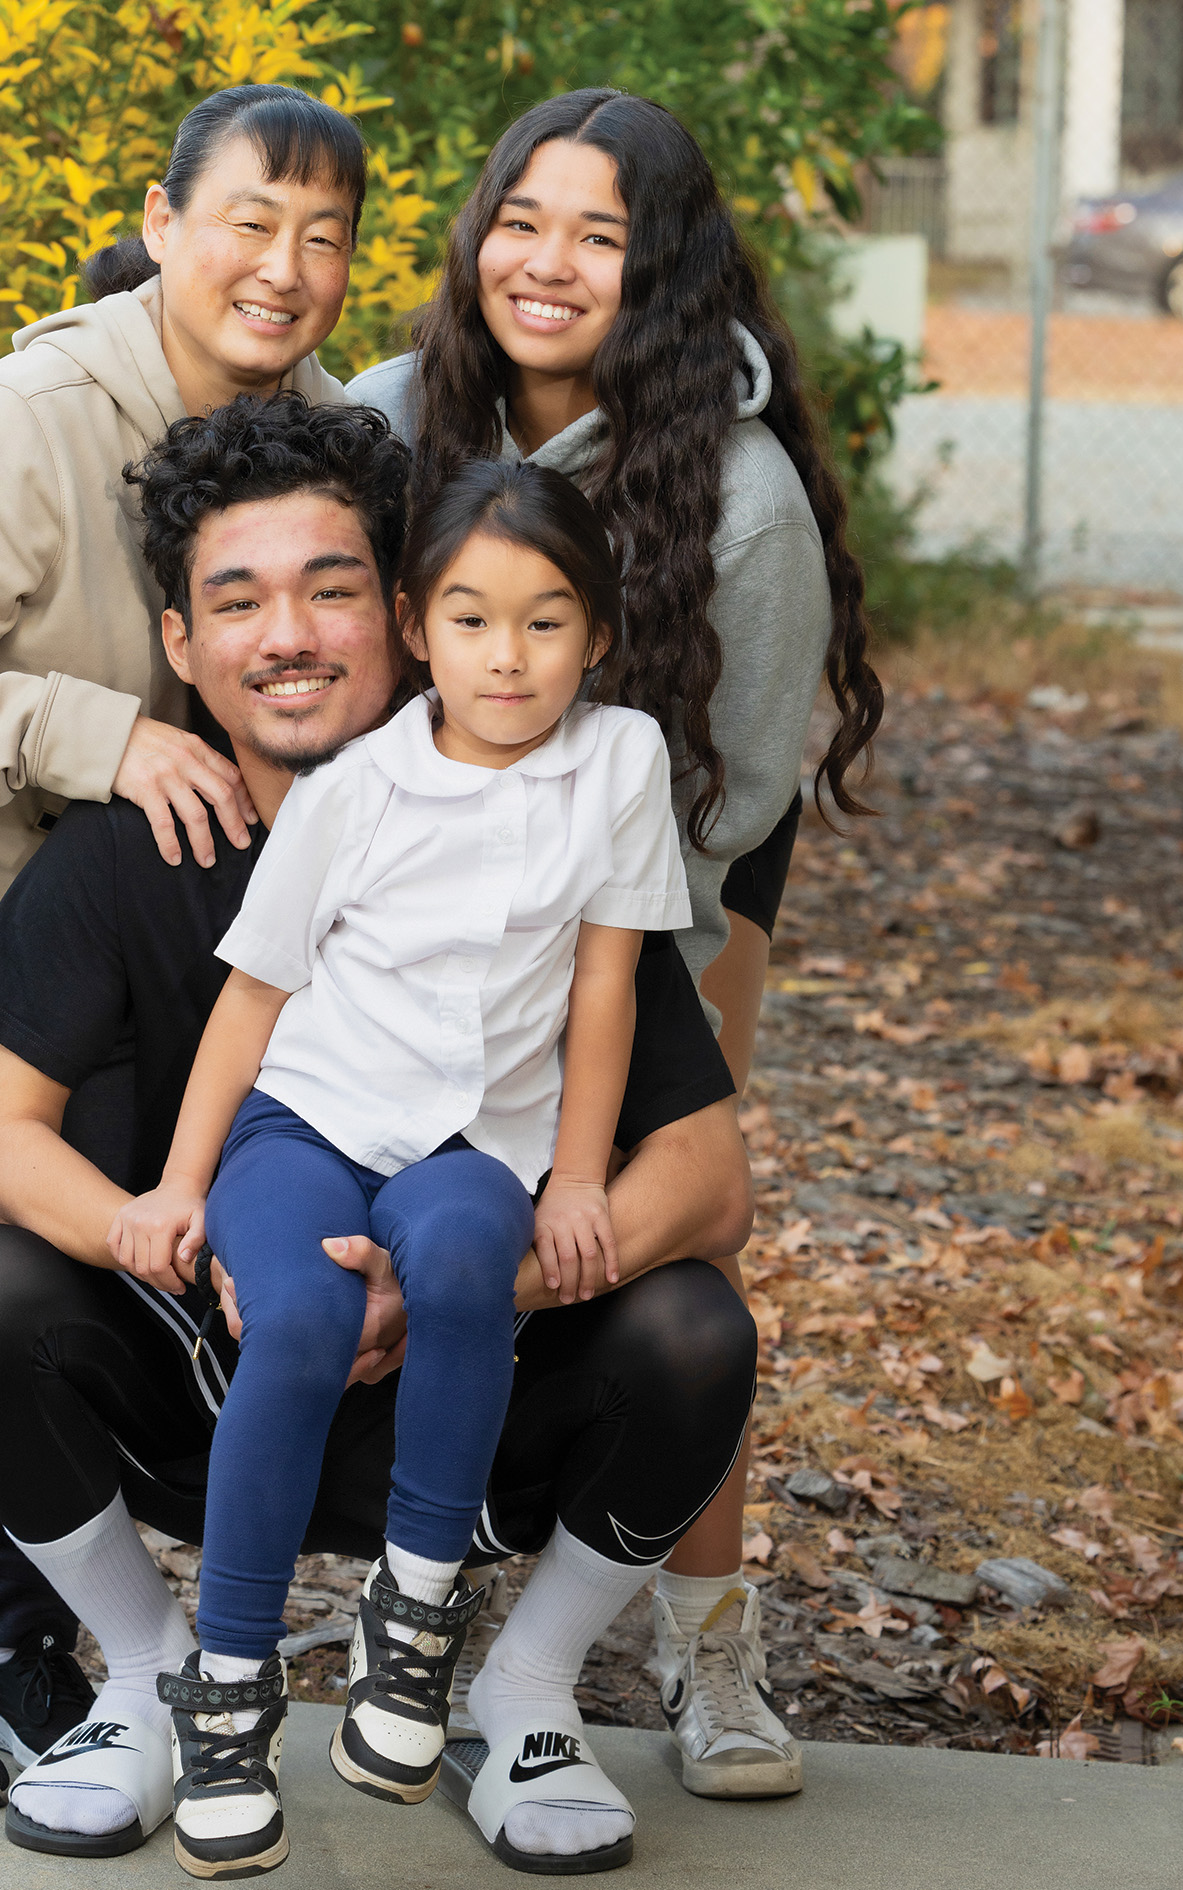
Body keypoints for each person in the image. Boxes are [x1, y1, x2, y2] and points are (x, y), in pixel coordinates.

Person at [0, 394, 759, 1876]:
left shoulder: (557, 808)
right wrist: (164, 1226)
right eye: (238, 599)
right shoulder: (120, 850)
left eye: (330, 587)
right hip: (215, 1370)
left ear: (401, 612)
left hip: (473, 1374)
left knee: (696, 1328)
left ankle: (523, 1686)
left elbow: (705, 1178)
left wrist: (455, 1287)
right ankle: (159, 1677)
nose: (287, 631)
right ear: (183, 646)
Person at [0, 83, 368, 1809]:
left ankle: (27, 1637)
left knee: (69, 1268)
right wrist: (96, 735)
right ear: (165, 217)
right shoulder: (25, 420)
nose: (285, 267)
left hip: (101, 914)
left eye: (326, 238)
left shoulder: (314, 422)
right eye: (252, 221)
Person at [346, 86, 886, 1801]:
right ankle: (429, 1569)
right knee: (411, 1198)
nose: (549, 262)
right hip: (402, 894)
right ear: (475, 234)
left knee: (674, 1244)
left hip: (659, 900)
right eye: (522, 219)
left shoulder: (740, 497)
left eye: (600, 232)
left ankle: (708, 1645)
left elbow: (735, 796)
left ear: (662, 267)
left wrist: (581, 895)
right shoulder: (381, 420)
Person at [106, 456, 687, 1877]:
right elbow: (253, 1000)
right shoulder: (357, 789)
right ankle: (229, 1691)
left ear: (598, 636)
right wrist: (183, 1184)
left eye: (548, 622)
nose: (510, 655)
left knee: (475, 1246)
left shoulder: (620, 762)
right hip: (306, 1124)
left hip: (473, 1140)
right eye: (475, 620)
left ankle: (415, 1611)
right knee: (297, 1320)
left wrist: (581, 1175)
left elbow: (604, 990)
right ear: (420, 626)